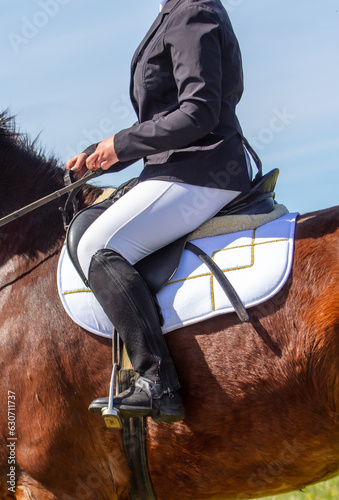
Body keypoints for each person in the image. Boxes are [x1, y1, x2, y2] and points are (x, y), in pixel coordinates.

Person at [66, 0, 258, 423]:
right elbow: (168, 118)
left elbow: (199, 111)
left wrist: (123, 144)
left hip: (204, 170)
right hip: (177, 166)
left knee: (99, 247)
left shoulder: (192, 11)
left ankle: (158, 381)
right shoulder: (173, 12)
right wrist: (110, 154)